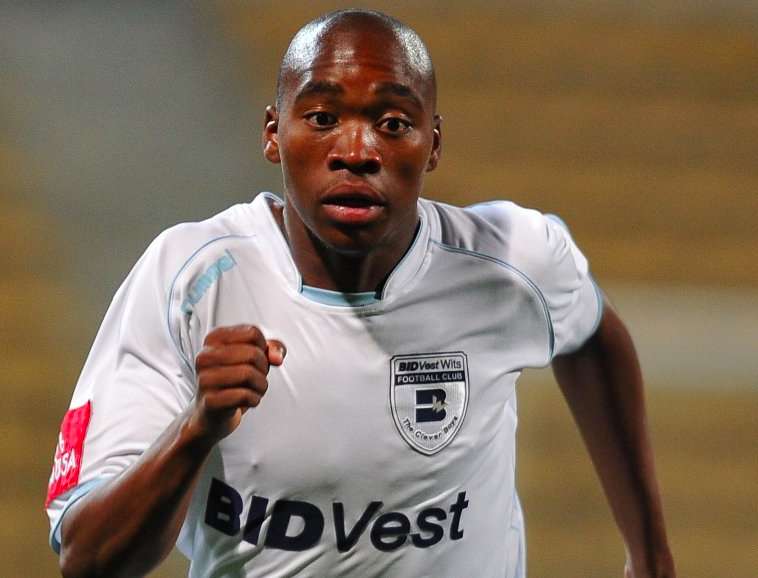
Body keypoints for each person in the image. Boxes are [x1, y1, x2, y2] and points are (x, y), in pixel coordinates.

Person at [46, 9, 676, 578]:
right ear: (273, 133)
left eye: (393, 123)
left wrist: (649, 552)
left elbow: (592, 338)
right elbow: (87, 557)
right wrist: (195, 429)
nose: (356, 151)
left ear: (432, 144)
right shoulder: (191, 278)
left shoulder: (511, 262)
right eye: (322, 118)